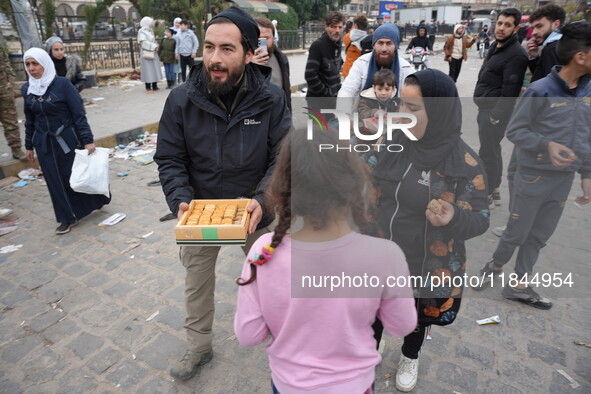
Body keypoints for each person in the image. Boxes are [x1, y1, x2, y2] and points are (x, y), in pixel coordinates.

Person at [154, 6, 291, 381]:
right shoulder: (181, 99)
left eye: (227, 49)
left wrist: (262, 202)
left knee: (273, 278)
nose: (214, 59)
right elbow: (169, 157)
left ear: (249, 53)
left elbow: (282, 159)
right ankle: (198, 346)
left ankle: (285, 337)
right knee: (196, 283)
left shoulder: (271, 99)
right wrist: (180, 197)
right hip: (199, 210)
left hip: (253, 209)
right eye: (209, 47)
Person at [234, 129, 417, 394]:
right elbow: (402, 325)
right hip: (355, 386)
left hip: (288, 385)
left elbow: (248, 334)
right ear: (354, 184)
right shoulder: (385, 256)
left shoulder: (263, 252)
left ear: (283, 191)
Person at [372, 69, 490, 392]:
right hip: (383, 254)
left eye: (413, 109)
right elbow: (367, 173)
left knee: (416, 315)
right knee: (375, 308)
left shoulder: (466, 164)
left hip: (426, 263)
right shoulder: (394, 141)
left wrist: (452, 218)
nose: (402, 116)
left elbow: (481, 219)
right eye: (401, 106)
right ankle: (371, 348)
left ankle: (410, 355)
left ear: (437, 111)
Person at [475, 21, 591, 309]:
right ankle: (495, 265)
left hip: (562, 181)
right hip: (531, 178)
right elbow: (515, 131)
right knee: (517, 232)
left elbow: (587, 136)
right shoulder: (540, 90)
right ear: (581, 56)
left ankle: (519, 285)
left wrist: (587, 173)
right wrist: (546, 145)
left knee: (539, 236)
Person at [22, 48, 110, 234]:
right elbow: (30, 120)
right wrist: (28, 145)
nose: (31, 68)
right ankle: (67, 217)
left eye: (35, 63)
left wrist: (88, 140)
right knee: (55, 181)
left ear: (44, 63)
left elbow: (79, 114)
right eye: (28, 64)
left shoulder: (62, 85)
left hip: (67, 140)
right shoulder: (27, 89)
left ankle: (98, 199)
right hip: (44, 143)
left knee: (76, 175)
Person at [473, 8, 528, 210]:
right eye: (500, 23)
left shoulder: (516, 54)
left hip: (493, 111)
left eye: (507, 25)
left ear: (516, 29)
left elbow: (510, 90)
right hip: (486, 106)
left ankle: (486, 193)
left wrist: (496, 116)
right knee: (492, 150)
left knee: (487, 152)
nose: (502, 28)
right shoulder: (497, 46)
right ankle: (494, 188)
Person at [337, 23, 414, 114]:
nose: (384, 48)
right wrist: (345, 115)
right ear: (374, 44)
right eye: (380, 43)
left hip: (396, 121)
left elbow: (413, 99)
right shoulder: (361, 63)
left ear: (396, 46)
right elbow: (347, 90)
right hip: (363, 119)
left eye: (389, 43)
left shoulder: (406, 69)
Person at [304, 11, 345, 108]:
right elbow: (310, 75)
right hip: (318, 102)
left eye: (340, 27)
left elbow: (334, 65)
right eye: (334, 27)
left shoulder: (337, 43)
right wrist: (326, 94)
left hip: (332, 100)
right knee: (319, 124)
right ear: (326, 27)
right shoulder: (318, 45)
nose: (337, 30)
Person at [252, 17, 291, 110]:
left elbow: (286, 90)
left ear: (274, 38)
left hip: (278, 114)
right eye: (258, 38)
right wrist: (249, 66)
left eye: (266, 38)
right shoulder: (243, 60)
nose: (262, 43)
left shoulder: (281, 58)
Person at [527, 4, 566, 83]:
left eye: (539, 26)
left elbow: (551, 86)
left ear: (556, 24)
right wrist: (535, 57)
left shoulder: (552, 48)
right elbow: (541, 75)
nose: (533, 33)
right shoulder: (561, 44)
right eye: (533, 28)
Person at [0, 43, 26, 161]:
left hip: (4, 90)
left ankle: (16, 150)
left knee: (10, 121)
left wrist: (10, 83)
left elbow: (6, 64)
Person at [137, 17, 162, 92]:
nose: (151, 24)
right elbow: (143, 42)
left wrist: (156, 46)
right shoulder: (141, 31)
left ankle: (155, 84)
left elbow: (153, 40)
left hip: (153, 52)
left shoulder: (150, 30)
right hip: (147, 53)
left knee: (154, 69)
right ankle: (148, 85)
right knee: (147, 70)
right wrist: (153, 46)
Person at [342, 14, 369, 78]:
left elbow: (350, 33)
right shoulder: (367, 40)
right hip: (360, 73)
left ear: (355, 25)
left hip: (347, 71)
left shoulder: (347, 37)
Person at [172, 17, 183, 84]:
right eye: (176, 22)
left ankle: (180, 79)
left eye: (179, 23)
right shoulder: (171, 30)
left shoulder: (182, 30)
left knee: (180, 66)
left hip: (180, 50)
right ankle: (173, 80)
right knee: (174, 65)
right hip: (173, 50)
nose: (177, 24)